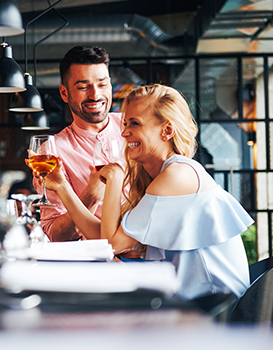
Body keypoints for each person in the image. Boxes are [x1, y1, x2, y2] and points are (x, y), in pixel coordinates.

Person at [45, 84, 252, 300]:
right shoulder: (164, 174)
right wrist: (61, 186)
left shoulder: (177, 175)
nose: (124, 132)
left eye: (134, 124)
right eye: (125, 123)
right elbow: (106, 236)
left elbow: (110, 245)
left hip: (216, 307)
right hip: (193, 298)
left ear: (167, 131)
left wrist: (115, 179)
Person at [31, 45, 124, 242]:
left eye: (102, 84)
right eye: (83, 87)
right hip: (93, 263)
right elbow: (56, 235)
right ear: (64, 94)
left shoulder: (133, 126)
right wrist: (90, 197)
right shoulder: (52, 151)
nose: (95, 95)